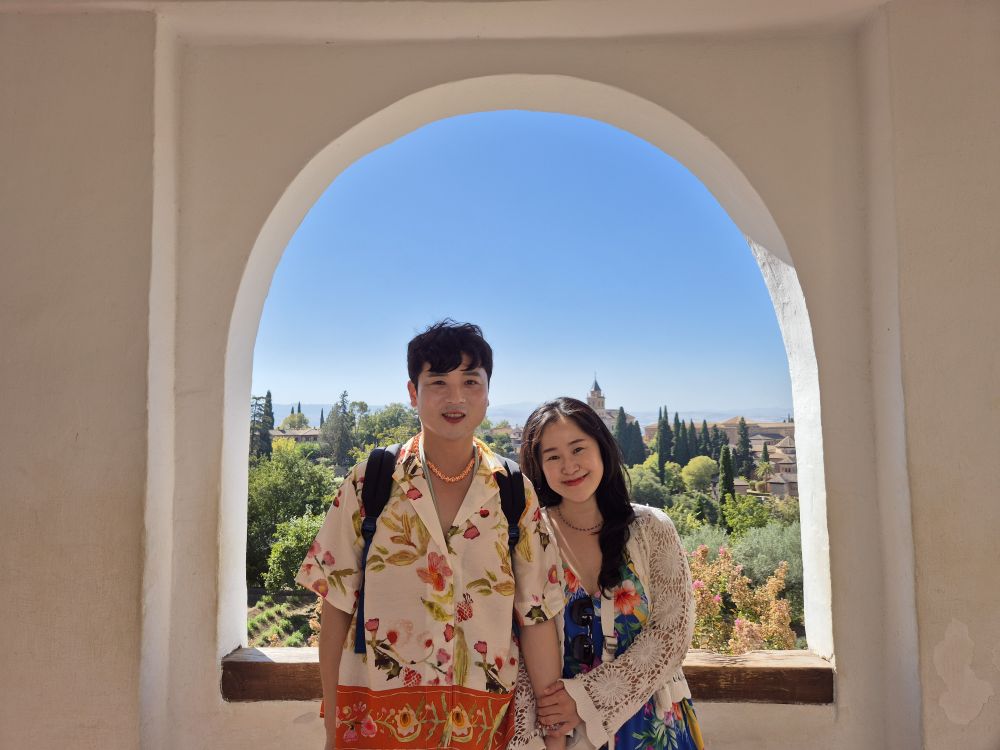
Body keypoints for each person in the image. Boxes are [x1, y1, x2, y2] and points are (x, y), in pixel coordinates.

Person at [295, 321, 566, 750]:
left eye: (470, 381)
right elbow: (336, 609)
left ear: (488, 393)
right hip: (375, 725)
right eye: (438, 381)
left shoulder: (514, 492)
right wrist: (332, 730)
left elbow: (536, 618)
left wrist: (555, 736)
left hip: (483, 728)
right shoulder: (370, 483)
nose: (455, 397)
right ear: (413, 392)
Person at [512, 397, 703, 750]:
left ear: (601, 447)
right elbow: (519, 642)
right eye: (553, 457)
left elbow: (673, 632)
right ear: (538, 466)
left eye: (578, 449)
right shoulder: (531, 538)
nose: (569, 466)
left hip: (652, 727)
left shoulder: (651, 528)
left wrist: (588, 700)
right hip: (565, 737)